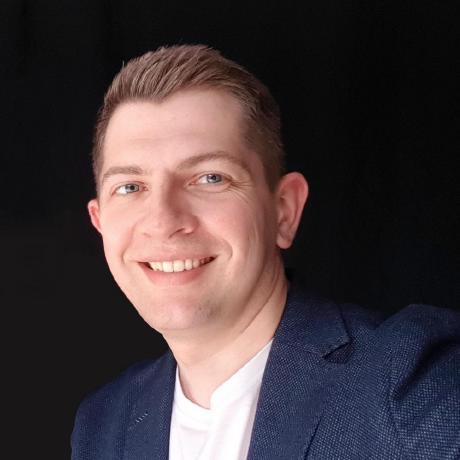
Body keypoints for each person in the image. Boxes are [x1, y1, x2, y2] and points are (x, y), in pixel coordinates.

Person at [71, 44, 460, 460]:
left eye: (210, 178)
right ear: (100, 221)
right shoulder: (104, 425)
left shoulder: (416, 385)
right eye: (130, 187)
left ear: (284, 211)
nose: (164, 220)